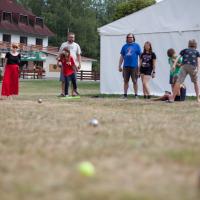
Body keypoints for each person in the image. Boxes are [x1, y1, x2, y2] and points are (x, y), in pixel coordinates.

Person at [58, 32, 81, 97]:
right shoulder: (63, 44)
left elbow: (79, 55)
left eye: (73, 37)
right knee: (63, 79)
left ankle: (73, 93)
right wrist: (58, 62)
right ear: (68, 37)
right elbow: (60, 54)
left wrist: (79, 64)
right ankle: (63, 93)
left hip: (73, 65)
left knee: (74, 80)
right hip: (64, 65)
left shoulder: (76, 45)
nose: (72, 38)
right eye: (70, 37)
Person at [118, 33, 141, 99]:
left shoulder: (137, 46)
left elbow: (140, 56)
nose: (130, 38)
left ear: (133, 38)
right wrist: (119, 65)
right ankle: (125, 95)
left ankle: (136, 95)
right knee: (125, 81)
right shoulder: (124, 46)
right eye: (129, 37)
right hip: (126, 66)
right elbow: (122, 56)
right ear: (127, 38)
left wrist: (139, 66)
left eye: (131, 37)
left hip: (134, 66)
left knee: (135, 81)